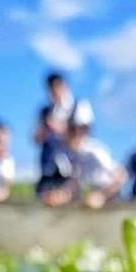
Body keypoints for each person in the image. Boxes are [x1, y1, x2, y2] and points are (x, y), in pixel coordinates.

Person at [66, 101, 126, 209]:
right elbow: (75, 182)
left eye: (73, 129)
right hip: (90, 200)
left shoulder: (95, 151)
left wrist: (102, 195)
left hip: (110, 201)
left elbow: (121, 176)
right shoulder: (75, 155)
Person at [34, 72, 77, 201]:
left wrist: (58, 127)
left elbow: (81, 138)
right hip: (48, 171)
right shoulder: (44, 111)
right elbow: (36, 139)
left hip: (71, 171)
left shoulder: (78, 106)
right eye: (51, 88)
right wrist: (45, 128)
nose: (55, 91)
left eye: (58, 86)